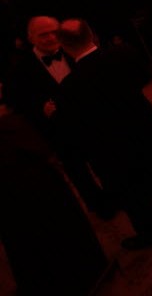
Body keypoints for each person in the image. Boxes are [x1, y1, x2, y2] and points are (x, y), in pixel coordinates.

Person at [58, 19, 152, 249]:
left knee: (132, 192)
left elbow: (78, 124)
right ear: (92, 35)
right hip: (143, 126)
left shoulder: (68, 87)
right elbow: (145, 78)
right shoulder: (123, 53)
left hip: (111, 145)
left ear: (64, 47)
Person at [5, 16, 112, 216]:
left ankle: (116, 196)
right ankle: (100, 208)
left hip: (90, 122)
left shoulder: (76, 52)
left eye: (54, 32)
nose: (51, 37)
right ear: (30, 38)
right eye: (43, 34)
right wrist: (39, 108)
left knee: (105, 163)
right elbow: (17, 102)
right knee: (78, 173)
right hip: (58, 131)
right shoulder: (20, 69)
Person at [0, 106, 107, 294]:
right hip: (35, 187)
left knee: (33, 241)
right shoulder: (11, 125)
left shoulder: (10, 125)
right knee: (55, 232)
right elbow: (39, 149)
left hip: (16, 196)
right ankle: (79, 273)